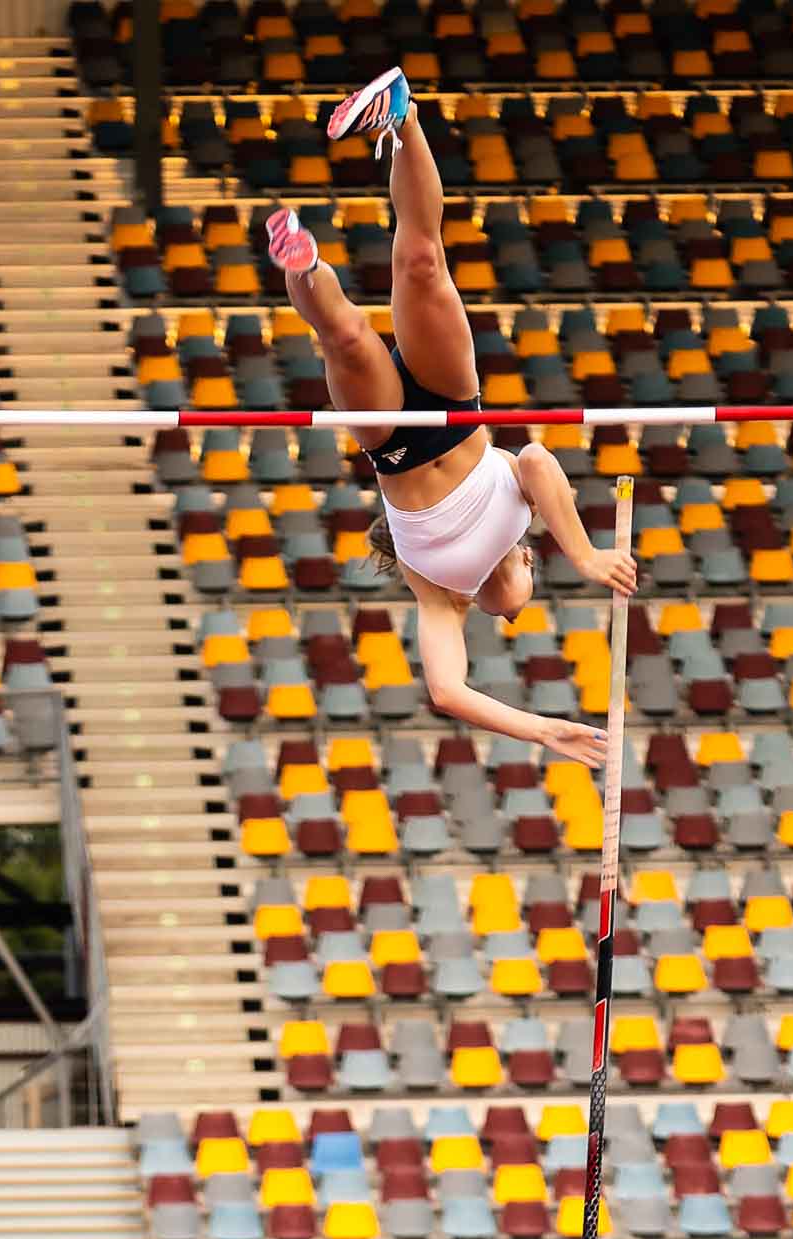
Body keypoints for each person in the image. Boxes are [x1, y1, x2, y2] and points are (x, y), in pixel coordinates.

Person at [267, 67, 637, 768]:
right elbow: (534, 458)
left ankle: (301, 260)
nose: (520, 608)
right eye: (533, 586)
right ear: (527, 557)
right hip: (450, 403)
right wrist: (585, 556)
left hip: (391, 446)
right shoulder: (522, 520)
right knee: (422, 262)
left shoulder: (440, 597)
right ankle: (403, 116)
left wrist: (545, 731)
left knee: (343, 337)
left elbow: (448, 691)